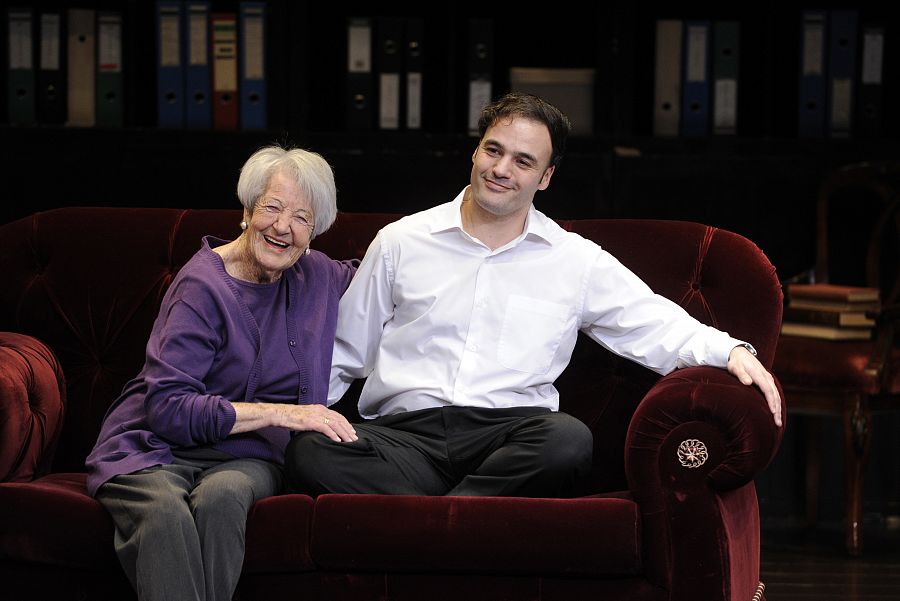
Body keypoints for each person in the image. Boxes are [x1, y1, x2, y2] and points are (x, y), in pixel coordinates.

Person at [285, 93, 782, 499]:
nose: (502, 169)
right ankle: (466, 516)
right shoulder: (402, 240)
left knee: (567, 441)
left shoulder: (574, 259)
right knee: (311, 449)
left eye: (523, 161)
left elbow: (650, 321)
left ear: (544, 178)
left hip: (511, 436)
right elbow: (345, 349)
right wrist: (291, 417)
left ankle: (436, 517)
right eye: (494, 150)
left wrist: (731, 349)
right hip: (402, 437)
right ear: (475, 152)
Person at [85, 145, 358, 601]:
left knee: (225, 497)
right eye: (272, 207)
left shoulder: (318, 275)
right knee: (164, 516)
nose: (283, 227)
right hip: (155, 447)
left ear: (315, 232)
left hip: (248, 458)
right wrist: (285, 415)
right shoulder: (201, 287)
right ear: (247, 210)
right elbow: (168, 410)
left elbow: (392, 277)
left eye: (301, 218)